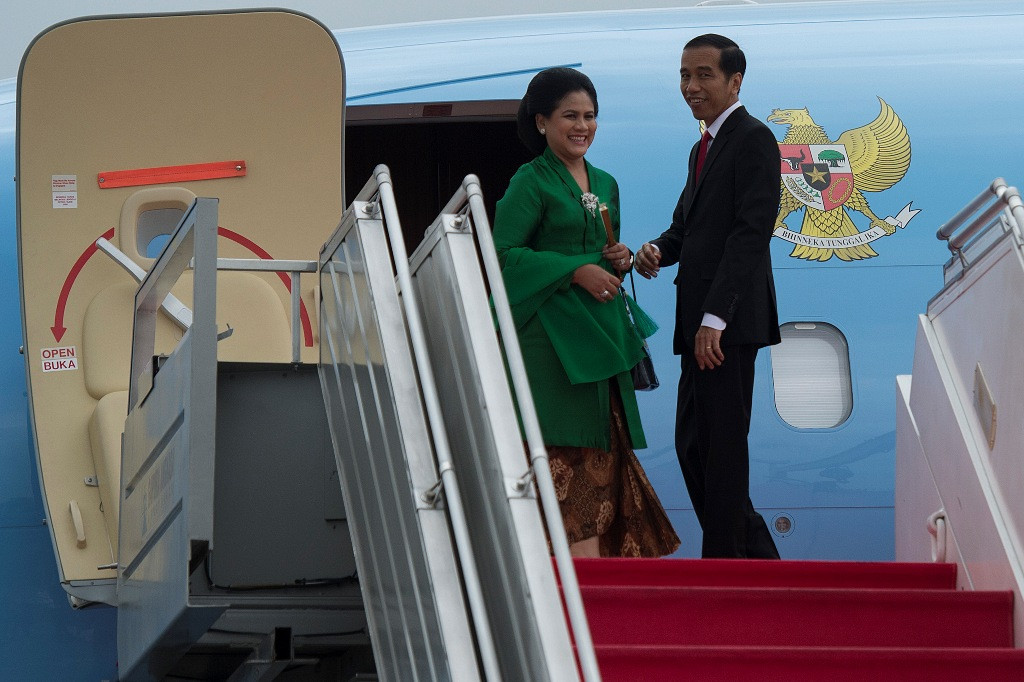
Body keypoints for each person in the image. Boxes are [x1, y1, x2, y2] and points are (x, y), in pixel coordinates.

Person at [493, 67, 680, 559]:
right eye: (570, 116)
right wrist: (579, 271)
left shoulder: (605, 182)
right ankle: (577, 576)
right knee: (566, 453)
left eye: (590, 116)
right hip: (552, 342)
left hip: (598, 337)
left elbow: (598, 249)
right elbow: (503, 255)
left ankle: (599, 576)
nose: (583, 126)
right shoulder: (530, 182)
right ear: (541, 123)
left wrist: (614, 258)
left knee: (601, 449)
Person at [634, 34, 782, 559]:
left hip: (725, 324)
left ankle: (725, 562)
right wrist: (653, 250)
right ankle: (753, 555)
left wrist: (716, 317)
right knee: (693, 444)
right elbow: (687, 230)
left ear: (734, 81)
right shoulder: (703, 147)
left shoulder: (754, 139)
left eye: (703, 75)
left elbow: (750, 232)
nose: (690, 86)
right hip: (698, 319)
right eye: (684, 76)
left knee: (720, 447)